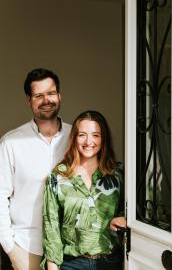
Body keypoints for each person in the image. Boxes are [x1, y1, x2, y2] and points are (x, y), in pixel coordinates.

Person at [0, 68, 71, 270]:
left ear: (59, 95)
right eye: (38, 95)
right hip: (25, 245)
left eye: (51, 93)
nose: (46, 100)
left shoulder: (77, 138)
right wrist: (10, 247)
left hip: (70, 248)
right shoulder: (11, 142)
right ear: (29, 100)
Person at [41, 110, 126, 270]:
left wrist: (123, 217)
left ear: (103, 139)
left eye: (95, 135)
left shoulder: (118, 173)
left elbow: (137, 212)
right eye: (82, 135)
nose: (89, 141)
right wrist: (52, 266)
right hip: (72, 264)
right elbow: (51, 225)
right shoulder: (58, 176)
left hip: (110, 262)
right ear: (74, 138)